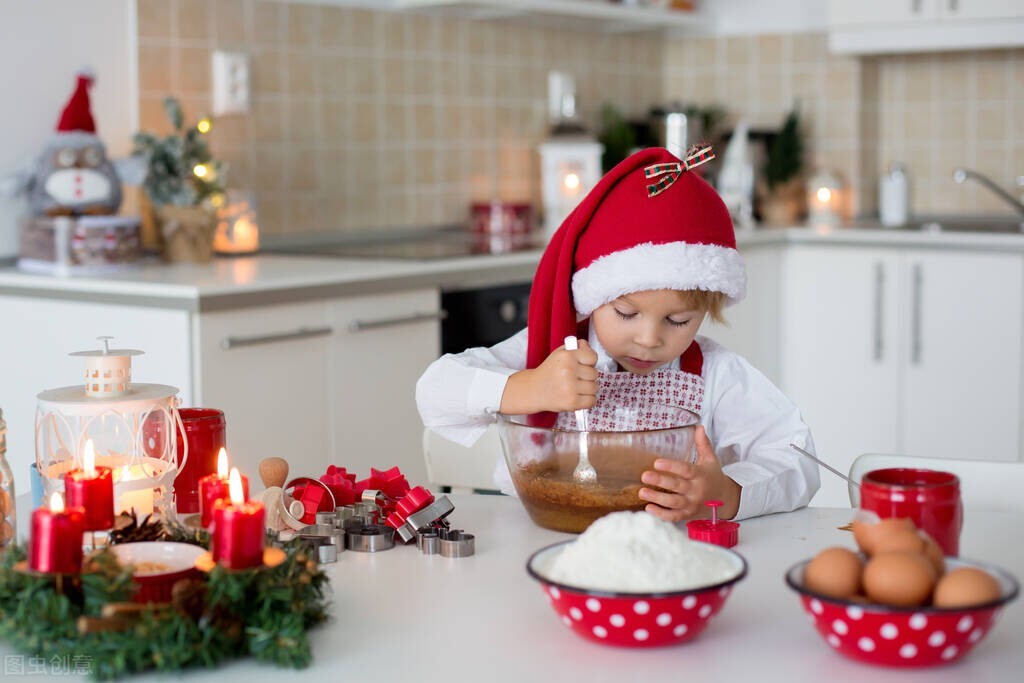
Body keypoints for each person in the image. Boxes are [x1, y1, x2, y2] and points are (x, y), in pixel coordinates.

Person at [416, 146, 819, 522]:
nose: (648, 338)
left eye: (678, 321)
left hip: (662, 555)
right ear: (593, 296)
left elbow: (798, 457)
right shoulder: (551, 351)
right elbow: (434, 393)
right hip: (547, 537)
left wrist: (727, 492)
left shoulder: (715, 375)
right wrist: (530, 387)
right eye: (626, 313)